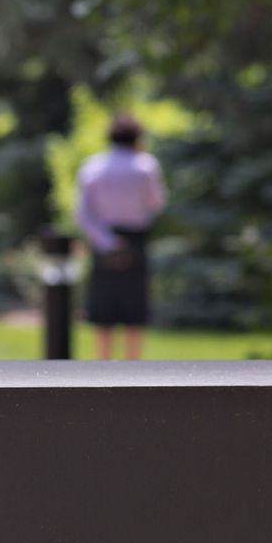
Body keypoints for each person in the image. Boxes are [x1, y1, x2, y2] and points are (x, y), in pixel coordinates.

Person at [75, 112, 167, 360]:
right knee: (133, 311)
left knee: (104, 311)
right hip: (136, 239)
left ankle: (103, 368)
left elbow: (83, 215)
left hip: (103, 240)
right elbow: (157, 203)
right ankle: (133, 370)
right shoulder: (146, 166)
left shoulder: (93, 167)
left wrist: (108, 242)